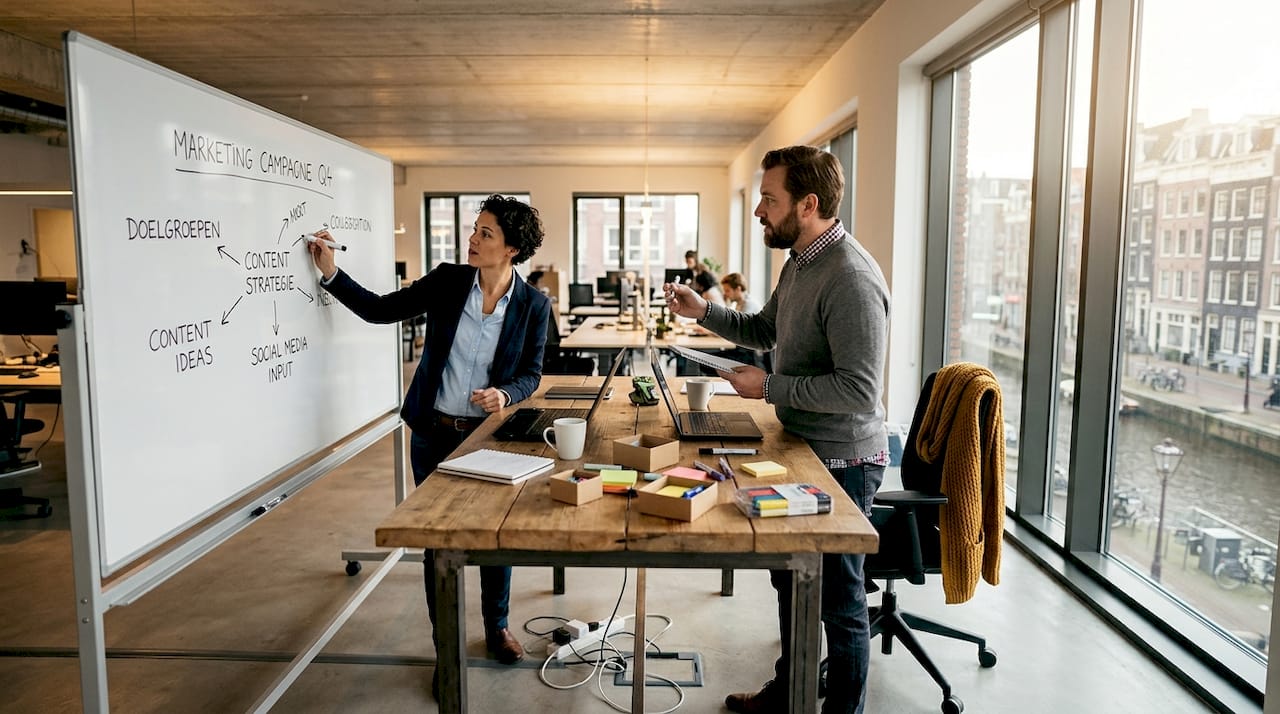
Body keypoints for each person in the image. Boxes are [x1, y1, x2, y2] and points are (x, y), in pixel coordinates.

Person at [664, 145, 889, 714]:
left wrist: (767, 388)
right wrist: (703, 312)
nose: (760, 210)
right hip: (800, 445)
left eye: (769, 198)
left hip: (844, 462)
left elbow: (858, 390)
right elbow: (766, 329)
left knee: (841, 605)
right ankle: (790, 694)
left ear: (808, 204)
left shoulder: (852, 278)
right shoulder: (802, 262)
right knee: (790, 583)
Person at [307, 194, 550, 691]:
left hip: (488, 439)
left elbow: (531, 373)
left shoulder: (532, 305)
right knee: (439, 545)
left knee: (492, 540)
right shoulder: (447, 281)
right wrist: (332, 273)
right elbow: (381, 310)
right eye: (475, 229)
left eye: (486, 233)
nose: (473, 239)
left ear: (511, 249)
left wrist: (505, 392)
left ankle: (496, 626)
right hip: (433, 434)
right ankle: (446, 650)